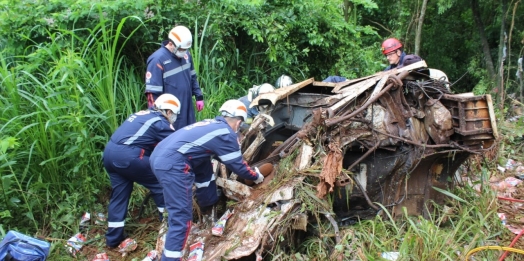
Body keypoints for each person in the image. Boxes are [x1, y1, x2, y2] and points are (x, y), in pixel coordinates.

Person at [150, 99, 265, 261]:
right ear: (238, 122)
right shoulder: (226, 134)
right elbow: (239, 166)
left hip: (159, 156)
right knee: (181, 219)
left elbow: (207, 158)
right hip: (173, 164)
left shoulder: (210, 124)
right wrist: (256, 176)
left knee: (204, 168)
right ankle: (171, 258)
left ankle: (207, 207)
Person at [104, 94, 182, 248]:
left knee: (119, 196)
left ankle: (113, 238)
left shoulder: (143, 114)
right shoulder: (160, 122)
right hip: (128, 157)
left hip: (109, 154)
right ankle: (168, 225)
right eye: (174, 115)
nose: (174, 118)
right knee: (160, 181)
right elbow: (177, 144)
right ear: (168, 111)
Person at [145, 25, 204, 130]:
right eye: (181, 49)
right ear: (171, 44)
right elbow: (152, 95)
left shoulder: (186, 56)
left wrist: (199, 96)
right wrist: (158, 120)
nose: (184, 52)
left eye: (186, 49)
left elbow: (192, 77)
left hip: (187, 107)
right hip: (171, 111)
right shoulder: (157, 60)